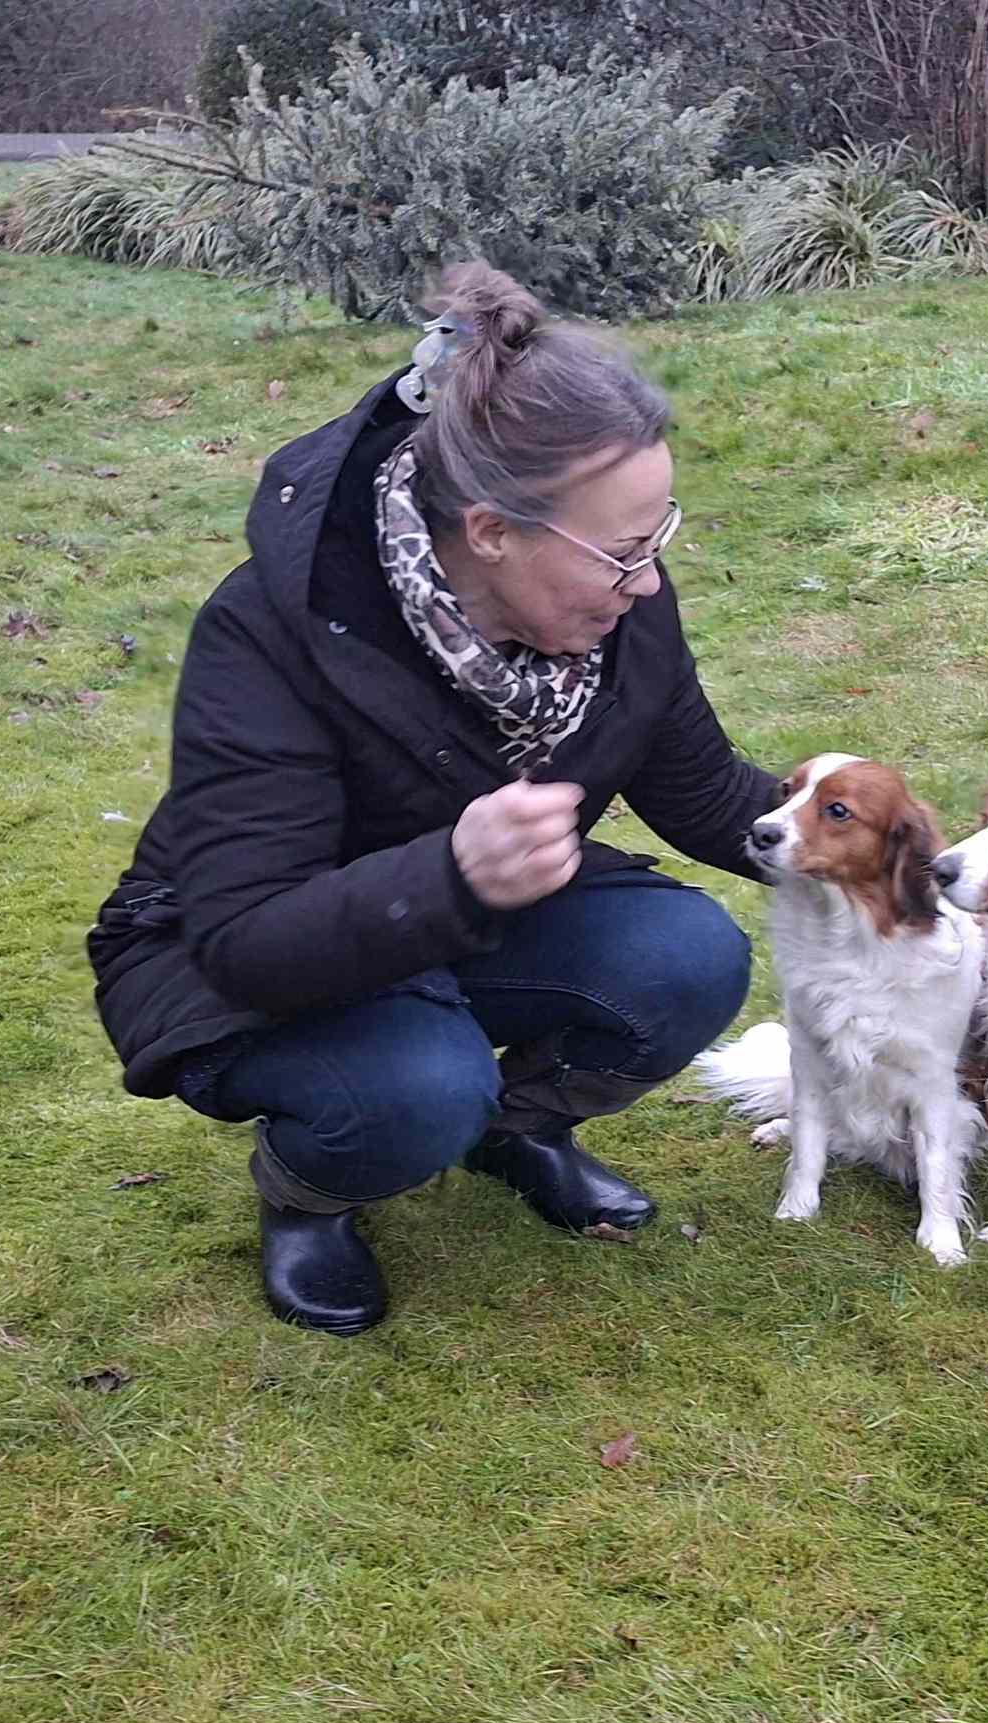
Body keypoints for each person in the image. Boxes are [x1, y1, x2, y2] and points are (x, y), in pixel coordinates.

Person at [88, 265, 777, 1337]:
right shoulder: (275, 628)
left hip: (462, 914)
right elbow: (243, 938)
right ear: (493, 530)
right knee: (417, 1087)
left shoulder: (612, 604)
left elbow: (696, 789)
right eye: (621, 555)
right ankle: (309, 1192)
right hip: (242, 951)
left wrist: (903, 856)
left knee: (687, 957)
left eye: (658, 543)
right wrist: (454, 875)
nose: (645, 584)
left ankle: (520, 1132)